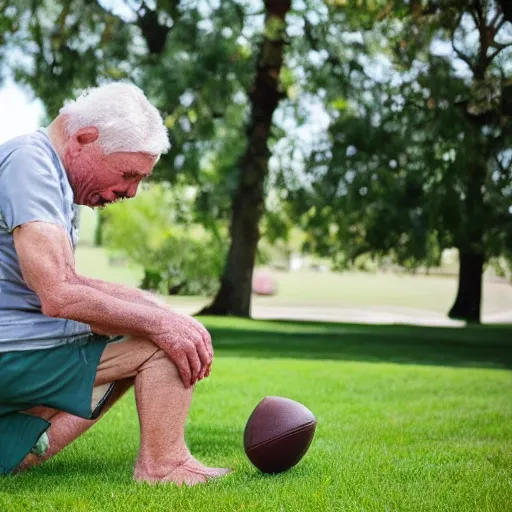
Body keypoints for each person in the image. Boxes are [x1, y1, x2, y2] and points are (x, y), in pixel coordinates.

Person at [0, 82, 230, 485]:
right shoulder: (30, 163)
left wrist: (149, 305)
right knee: (159, 340)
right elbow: (58, 294)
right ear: (84, 139)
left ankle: (19, 449)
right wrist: (160, 323)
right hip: (10, 347)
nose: (130, 191)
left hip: (16, 344)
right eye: (127, 174)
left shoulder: (47, 173)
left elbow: (63, 282)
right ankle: (165, 465)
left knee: (150, 319)